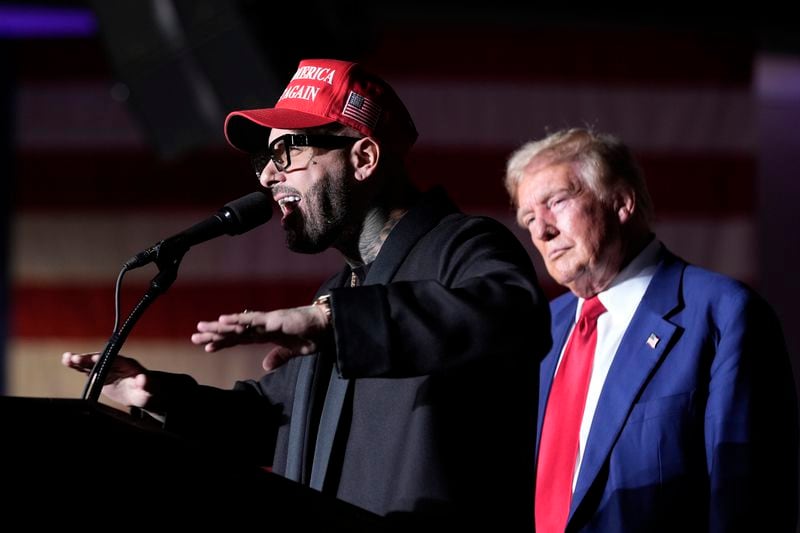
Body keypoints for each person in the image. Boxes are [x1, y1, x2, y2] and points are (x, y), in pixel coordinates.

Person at [63, 58, 550, 529]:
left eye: (286, 153)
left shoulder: (463, 246)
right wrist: (160, 396)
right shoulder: (339, 290)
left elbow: (514, 316)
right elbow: (274, 420)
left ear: (362, 158)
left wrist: (332, 323)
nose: (267, 176)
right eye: (265, 159)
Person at [504, 128, 798, 533]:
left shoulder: (723, 315)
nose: (542, 231)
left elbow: (749, 503)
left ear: (622, 202)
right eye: (529, 218)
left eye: (556, 202)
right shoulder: (537, 331)